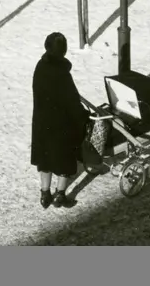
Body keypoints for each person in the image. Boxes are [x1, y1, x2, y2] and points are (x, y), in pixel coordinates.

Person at [31, 31, 89, 210]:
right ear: (64, 51)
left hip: (42, 121)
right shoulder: (62, 74)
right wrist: (83, 116)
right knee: (65, 159)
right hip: (62, 125)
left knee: (45, 159)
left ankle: (45, 194)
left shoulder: (40, 66)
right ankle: (60, 196)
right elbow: (72, 101)